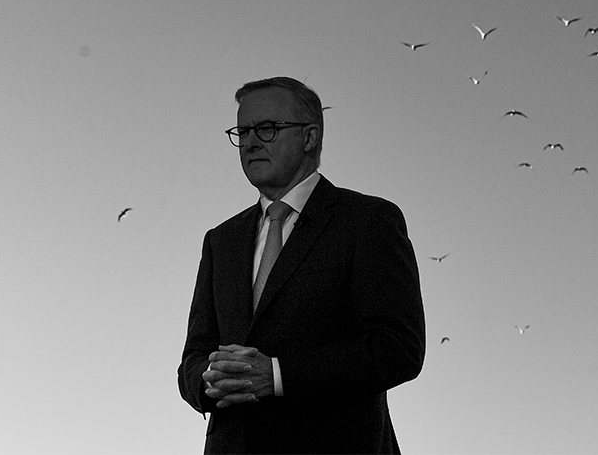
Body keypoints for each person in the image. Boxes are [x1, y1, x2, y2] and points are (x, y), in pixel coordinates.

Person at [178, 77, 426, 454]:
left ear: (310, 137)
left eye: (267, 128)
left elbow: (397, 349)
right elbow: (192, 360)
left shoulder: (368, 220)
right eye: (242, 131)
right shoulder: (221, 240)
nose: (250, 142)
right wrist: (209, 381)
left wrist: (277, 375)